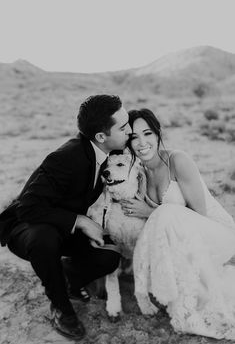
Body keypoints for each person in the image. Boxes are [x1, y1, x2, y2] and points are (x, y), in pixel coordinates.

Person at [0, 94, 131, 340]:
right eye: (123, 127)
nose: (130, 130)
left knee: (109, 254)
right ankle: (61, 307)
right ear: (101, 137)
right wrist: (81, 221)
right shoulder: (67, 157)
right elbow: (28, 207)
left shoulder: (106, 152)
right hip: (26, 225)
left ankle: (63, 276)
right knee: (44, 239)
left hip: (62, 224)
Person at [122, 108, 235, 340]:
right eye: (134, 137)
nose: (142, 142)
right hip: (182, 240)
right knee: (164, 217)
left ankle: (198, 301)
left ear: (157, 134)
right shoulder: (139, 172)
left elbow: (198, 215)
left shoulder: (177, 160)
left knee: (168, 214)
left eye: (147, 134)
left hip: (214, 232)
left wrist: (150, 211)